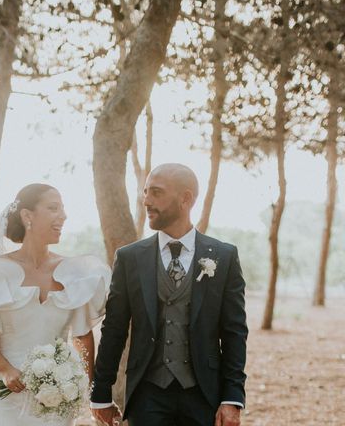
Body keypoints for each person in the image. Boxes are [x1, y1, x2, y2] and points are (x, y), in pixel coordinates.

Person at [0, 183, 112, 426]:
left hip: (57, 394)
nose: (63, 215)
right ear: (27, 216)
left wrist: (87, 389)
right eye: (53, 208)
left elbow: (82, 337)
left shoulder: (75, 274)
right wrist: (6, 370)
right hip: (2, 391)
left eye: (63, 209)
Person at [90, 163, 248, 426]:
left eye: (156, 193)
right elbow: (114, 328)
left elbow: (234, 332)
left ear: (185, 198)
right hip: (147, 394)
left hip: (203, 393)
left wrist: (232, 397)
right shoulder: (130, 258)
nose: (146, 201)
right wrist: (101, 393)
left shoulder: (224, 256)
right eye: (145, 192)